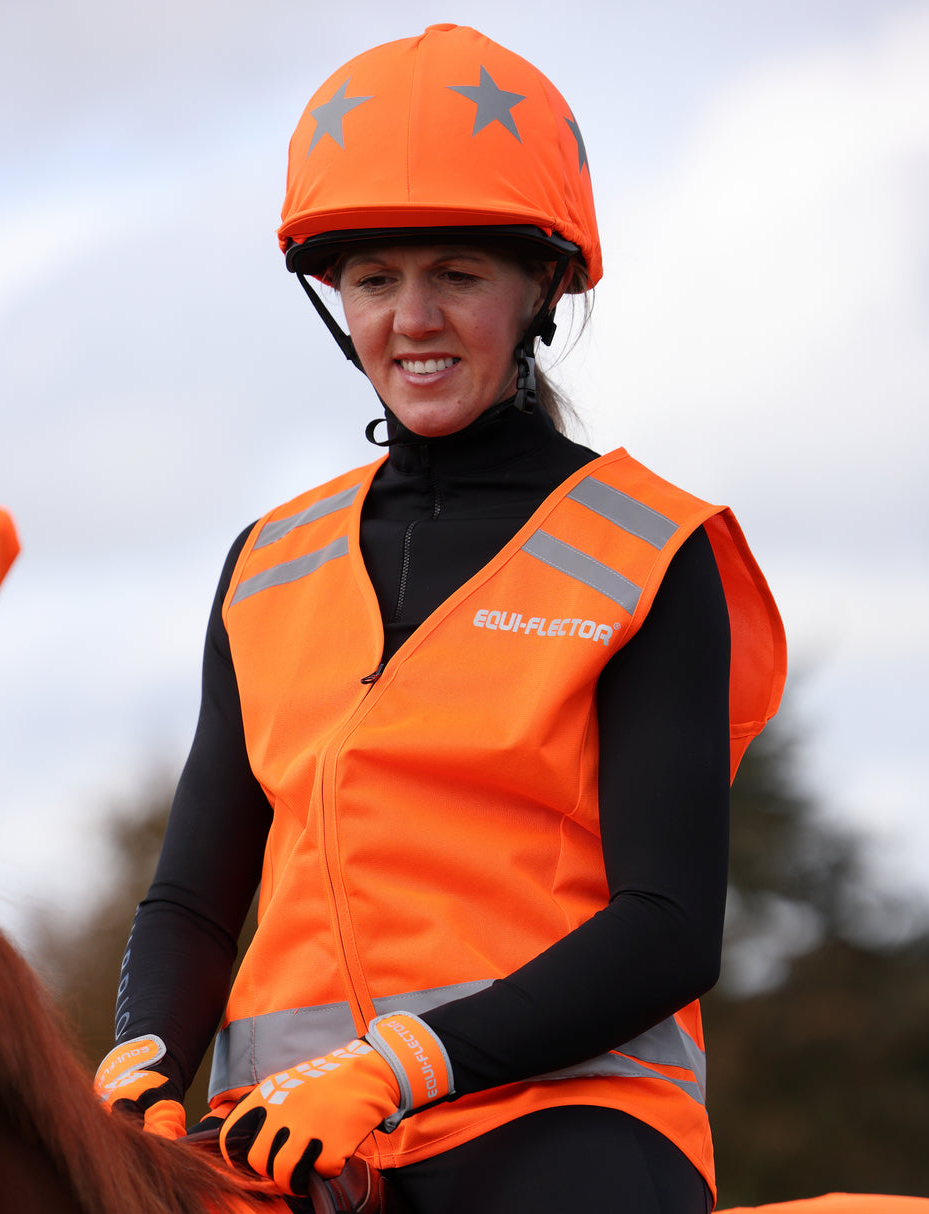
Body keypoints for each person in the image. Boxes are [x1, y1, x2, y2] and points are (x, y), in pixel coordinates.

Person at [94, 24, 785, 1214]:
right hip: (281, 1139)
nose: (412, 318)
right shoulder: (266, 564)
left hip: (561, 1121)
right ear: (338, 299)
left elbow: (669, 927)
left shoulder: (649, 551)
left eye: (456, 273)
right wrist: (144, 1060)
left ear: (541, 288)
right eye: (374, 279)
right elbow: (194, 897)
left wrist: (400, 1062)